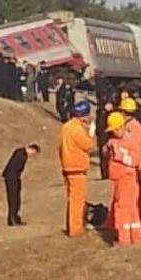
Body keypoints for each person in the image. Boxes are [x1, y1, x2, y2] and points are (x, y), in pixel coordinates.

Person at [103, 112, 141, 246]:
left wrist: (119, 155)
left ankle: (124, 238)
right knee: (130, 208)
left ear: (121, 127)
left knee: (123, 208)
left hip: (126, 178)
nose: (113, 133)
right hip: (120, 178)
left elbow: (135, 161)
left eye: (114, 130)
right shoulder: (114, 141)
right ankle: (137, 237)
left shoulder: (130, 141)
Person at [58, 100, 95, 237]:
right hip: (77, 168)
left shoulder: (66, 127)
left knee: (72, 199)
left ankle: (72, 225)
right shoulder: (78, 129)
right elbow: (89, 145)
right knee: (77, 200)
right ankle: (75, 229)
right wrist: (91, 133)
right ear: (83, 115)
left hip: (67, 167)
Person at [1, 144, 40, 226]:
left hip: (15, 178)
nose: (32, 155)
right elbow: (13, 168)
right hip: (11, 178)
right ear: (31, 149)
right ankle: (12, 219)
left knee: (16, 199)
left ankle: (15, 217)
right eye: (33, 153)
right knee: (13, 199)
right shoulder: (20, 154)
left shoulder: (21, 153)